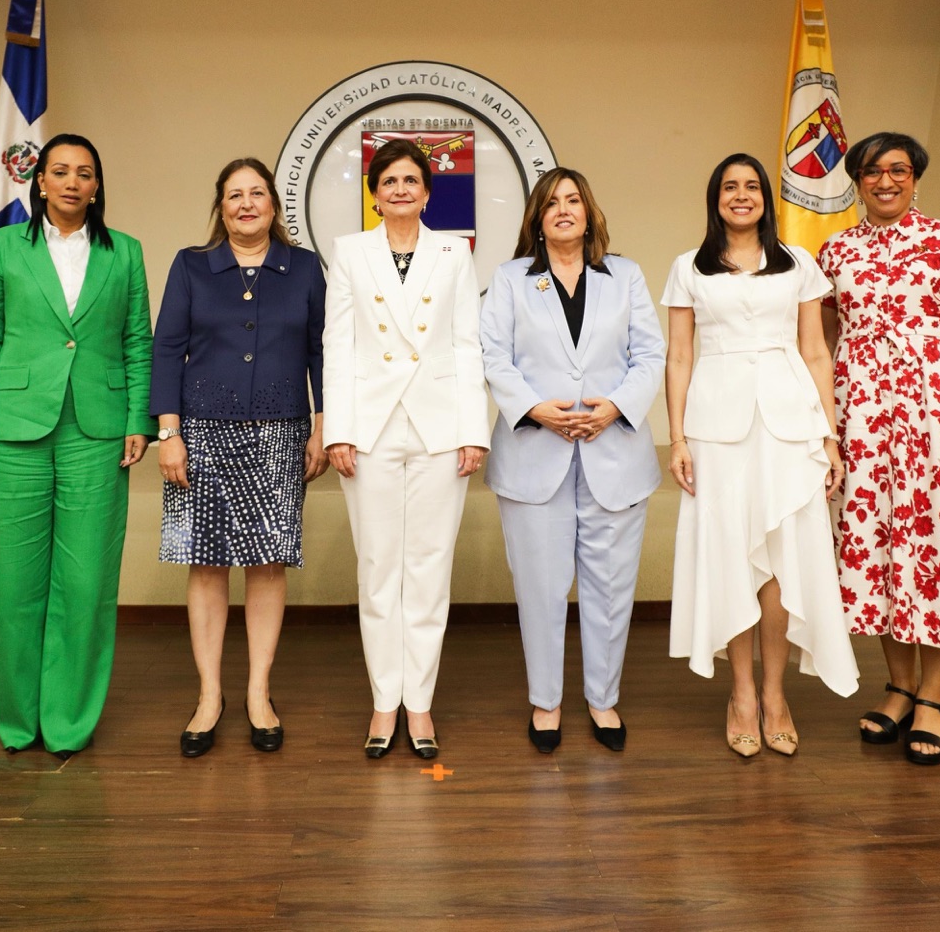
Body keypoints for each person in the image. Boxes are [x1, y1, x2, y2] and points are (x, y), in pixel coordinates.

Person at [0, 134, 152, 756]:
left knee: (86, 583)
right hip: (12, 429)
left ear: (97, 186)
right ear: (39, 182)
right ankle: (20, 720)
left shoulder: (125, 252)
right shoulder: (4, 246)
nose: (71, 182)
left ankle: (68, 723)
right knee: (17, 584)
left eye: (84, 173)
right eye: (59, 171)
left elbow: (138, 341)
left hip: (98, 431)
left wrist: (138, 418)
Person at [662, 153, 858, 758]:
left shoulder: (797, 263)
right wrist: (677, 438)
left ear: (766, 200)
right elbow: (679, 356)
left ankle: (775, 694)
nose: (741, 195)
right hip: (716, 428)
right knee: (730, 555)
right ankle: (742, 694)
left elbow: (816, 351)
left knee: (780, 560)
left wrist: (829, 436)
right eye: (730, 187)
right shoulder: (688, 267)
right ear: (715, 198)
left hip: (789, 423)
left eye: (751, 186)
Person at [819, 132, 940, 767]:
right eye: (873, 171)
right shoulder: (836, 250)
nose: (886, 181)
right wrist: (825, 424)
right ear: (857, 181)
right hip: (863, 417)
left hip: (937, 416)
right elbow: (823, 341)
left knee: (937, 545)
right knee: (875, 547)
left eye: (898, 170)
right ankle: (898, 688)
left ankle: (933, 696)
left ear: (916, 178)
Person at [480, 168, 664, 754]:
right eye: (552, 202)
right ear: (537, 218)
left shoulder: (624, 275)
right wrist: (536, 409)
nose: (564, 209)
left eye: (574, 200)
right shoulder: (511, 279)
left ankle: (603, 700)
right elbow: (493, 356)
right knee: (540, 588)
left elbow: (650, 354)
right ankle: (546, 701)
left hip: (616, 453)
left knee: (611, 587)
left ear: (589, 214)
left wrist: (616, 407)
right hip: (535, 453)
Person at [152, 158, 327, 758]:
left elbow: (321, 350)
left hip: (281, 432)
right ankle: (209, 696)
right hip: (200, 432)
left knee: (268, 563)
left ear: (274, 204)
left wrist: (323, 425)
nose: (246, 204)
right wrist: (168, 432)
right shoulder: (191, 265)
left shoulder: (304, 268)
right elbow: (166, 348)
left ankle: (258, 692)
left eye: (257, 193)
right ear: (220, 207)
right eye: (234, 195)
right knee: (205, 565)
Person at [322, 138, 489, 761]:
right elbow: (338, 344)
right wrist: (338, 429)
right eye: (388, 180)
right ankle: (383, 700)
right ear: (375, 192)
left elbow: (466, 342)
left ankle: (418, 701)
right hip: (368, 428)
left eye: (410, 180)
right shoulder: (350, 251)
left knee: (428, 568)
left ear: (427, 191)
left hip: (439, 427)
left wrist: (474, 429)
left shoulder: (453, 251)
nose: (399, 189)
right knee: (377, 569)